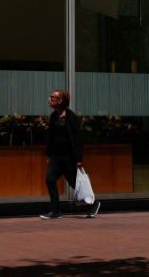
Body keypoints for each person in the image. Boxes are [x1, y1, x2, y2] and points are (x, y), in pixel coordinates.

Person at [40, 89, 101, 219]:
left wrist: (78, 159)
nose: (49, 99)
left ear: (61, 101)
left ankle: (94, 204)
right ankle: (56, 210)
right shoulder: (53, 116)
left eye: (53, 97)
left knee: (75, 184)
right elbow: (51, 136)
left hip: (68, 157)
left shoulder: (71, 117)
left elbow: (77, 139)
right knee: (50, 180)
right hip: (56, 156)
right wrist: (49, 154)